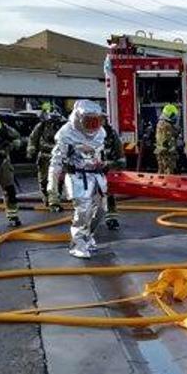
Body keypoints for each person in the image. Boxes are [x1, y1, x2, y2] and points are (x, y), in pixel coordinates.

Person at [48, 100, 109, 258]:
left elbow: (101, 153)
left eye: (96, 121)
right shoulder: (66, 134)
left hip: (96, 176)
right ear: (80, 119)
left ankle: (88, 237)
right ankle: (78, 244)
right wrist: (52, 188)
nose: (93, 125)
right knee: (83, 211)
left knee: (102, 210)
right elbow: (55, 162)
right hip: (77, 177)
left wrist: (103, 163)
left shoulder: (100, 133)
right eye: (90, 121)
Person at [28, 101, 64, 208]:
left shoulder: (62, 127)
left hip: (57, 157)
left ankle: (56, 199)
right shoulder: (41, 126)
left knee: (57, 180)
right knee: (43, 179)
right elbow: (33, 138)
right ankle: (46, 197)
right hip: (44, 157)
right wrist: (31, 150)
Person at [102, 118, 126, 230]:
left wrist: (119, 167)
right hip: (89, 173)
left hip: (107, 171)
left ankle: (111, 219)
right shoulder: (85, 134)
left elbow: (119, 151)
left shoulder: (111, 134)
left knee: (109, 195)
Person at [155, 103, 181, 175]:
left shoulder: (161, 123)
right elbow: (169, 140)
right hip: (167, 154)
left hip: (162, 153)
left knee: (162, 171)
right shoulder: (166, 125)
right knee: (168, 173)